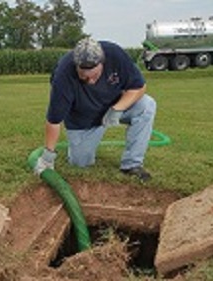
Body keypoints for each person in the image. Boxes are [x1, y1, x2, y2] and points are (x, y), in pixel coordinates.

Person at [34, 37, 157, 181]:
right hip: (83, 119)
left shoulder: (115, 55)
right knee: (80, 163)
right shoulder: (62, 75)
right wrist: (48, 156)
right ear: (76, 67)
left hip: (113, 106)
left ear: (102, 64)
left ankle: (132, 165)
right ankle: (81, 149)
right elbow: (54, 121)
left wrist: (117, 109)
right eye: (84, 78)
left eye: (95, 76)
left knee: (146, 105)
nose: (91, 82)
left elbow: (139, 87)